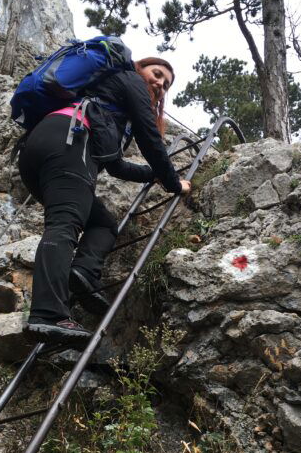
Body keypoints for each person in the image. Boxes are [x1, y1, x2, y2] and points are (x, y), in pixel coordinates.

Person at [19, 54, 191, 347]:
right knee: (64, 225)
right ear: (140, 68)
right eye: (157, 74)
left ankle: (84, 272)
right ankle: (48, 314)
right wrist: (174, 183)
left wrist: (155, 177)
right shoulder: (130, 80)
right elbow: (150, 138)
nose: (160, 85)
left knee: (103, 223)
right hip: (71, 143)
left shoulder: (111, 102)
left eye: (166, 85)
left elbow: (115, 166)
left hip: (44, 148)